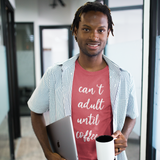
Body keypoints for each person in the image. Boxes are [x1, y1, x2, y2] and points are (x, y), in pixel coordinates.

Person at [28, 2, 139, 160]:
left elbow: (132, 115)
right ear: (75, 31)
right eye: (86, 29)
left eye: (100, 30)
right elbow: (35, 110)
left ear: (108, 33)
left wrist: (124, 136)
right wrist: (47, 151)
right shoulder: (55, 75)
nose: (94, 37)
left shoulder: (124, 78)